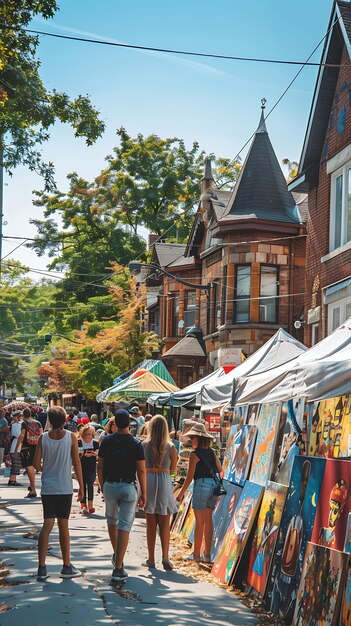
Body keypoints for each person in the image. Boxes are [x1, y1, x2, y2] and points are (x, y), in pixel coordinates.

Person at [33, 406, 84, 581]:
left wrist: (47, 468)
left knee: (47, 525)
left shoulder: (43, 438)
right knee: (64, 526)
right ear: (64, 420)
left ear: (49, 419)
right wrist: (82, 486)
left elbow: (36, 464)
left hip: (48, 487)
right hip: (64, 487)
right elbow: (77, 462)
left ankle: (41, 567)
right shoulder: (71, 438)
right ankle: (66, 565)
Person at [97, 409, 146, 583]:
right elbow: (141, 470)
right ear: (130, 424)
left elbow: (100, 466)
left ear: (115, 423)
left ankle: (118, 558)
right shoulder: (136, 443)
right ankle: (118, 567)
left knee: (112, 521)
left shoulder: (106, 441)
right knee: (125, 525)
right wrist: (144, 492)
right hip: (128, 486)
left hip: (110, 484)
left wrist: (103, 486)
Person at [176, 422, 222, 563]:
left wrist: (180, 494)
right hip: (213, 487)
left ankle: (196, 554)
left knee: (200, 521)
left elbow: (189, 477)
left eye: (193, 438)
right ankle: (207, 555)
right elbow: (220, 470)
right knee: (209, 521)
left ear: (198, 438)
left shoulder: (194, 455)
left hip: (201, 485)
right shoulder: (212, 453)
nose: (191, 440)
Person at [142, 415, 178, 570]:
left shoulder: (143, 445)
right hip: (164, 480)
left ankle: (151, 559)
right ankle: (165, 556)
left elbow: (140, 466)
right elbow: (173, 470)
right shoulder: (171, 447)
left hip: (148, 479)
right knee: (164, 522)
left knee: (150, 522)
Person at [15, 407, 43, 497]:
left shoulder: (24, 423)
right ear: (31, 414)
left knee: (29, 466)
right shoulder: (38, 423)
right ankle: (34, 488)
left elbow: (22, 435)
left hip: (27, 447)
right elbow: (42, 435)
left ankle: (33, 489)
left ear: (23, 415)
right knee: (36, 466)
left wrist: (16, 448)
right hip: (37, 447)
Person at [78, 424, 99, 514]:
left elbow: (98, 454)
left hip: (91, 466)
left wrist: (94, 454)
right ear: (83, 434)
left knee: (90, 484)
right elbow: (78, 454)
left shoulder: (95, 443)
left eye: (90, 434)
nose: (88, 436)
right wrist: (83, 454)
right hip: (81, 466)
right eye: (86, 434)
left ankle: (90, 505)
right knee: (82, 486)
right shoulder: (79, 442)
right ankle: (83, 505)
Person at [8, 411, 23, 486]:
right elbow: (18, 434)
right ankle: (12, 480)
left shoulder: (17, 424)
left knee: (16, 464)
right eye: (19, 416)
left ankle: (12, 480)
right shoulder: (14, 425)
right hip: (14, 447)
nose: (21, 417)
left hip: (16, 446)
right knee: (15, 464)